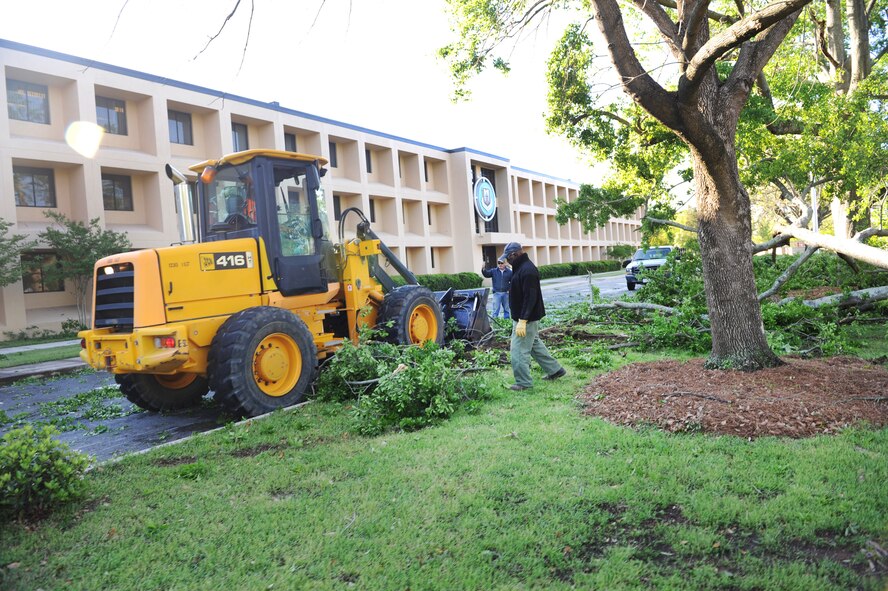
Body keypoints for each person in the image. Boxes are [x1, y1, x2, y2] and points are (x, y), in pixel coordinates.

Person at [500, 242, 566, 391]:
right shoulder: (520, 268)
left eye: (508, 258)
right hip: (521, 317)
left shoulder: (528, 270)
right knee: (534, 345)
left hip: (526, 319)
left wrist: (523, 320)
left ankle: (523, 382)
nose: (507, 261)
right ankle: (555, 370)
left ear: (514, 255)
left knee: (518, 350)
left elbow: (531, 297)